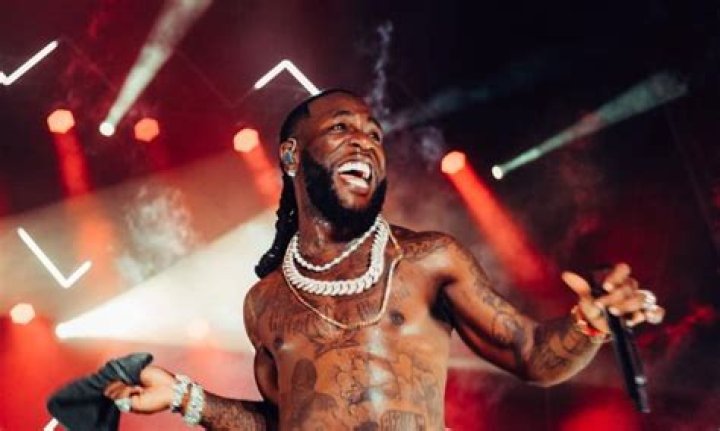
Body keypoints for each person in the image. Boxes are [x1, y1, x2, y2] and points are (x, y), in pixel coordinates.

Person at [104, 89, 665, 430]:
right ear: (292, 155)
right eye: (342, 128)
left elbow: (532, 355)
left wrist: (589, 322)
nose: (366, 143)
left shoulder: (426, 259)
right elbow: (285, 423)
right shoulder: (265, 302)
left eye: (374, 135)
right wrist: (185, 397)